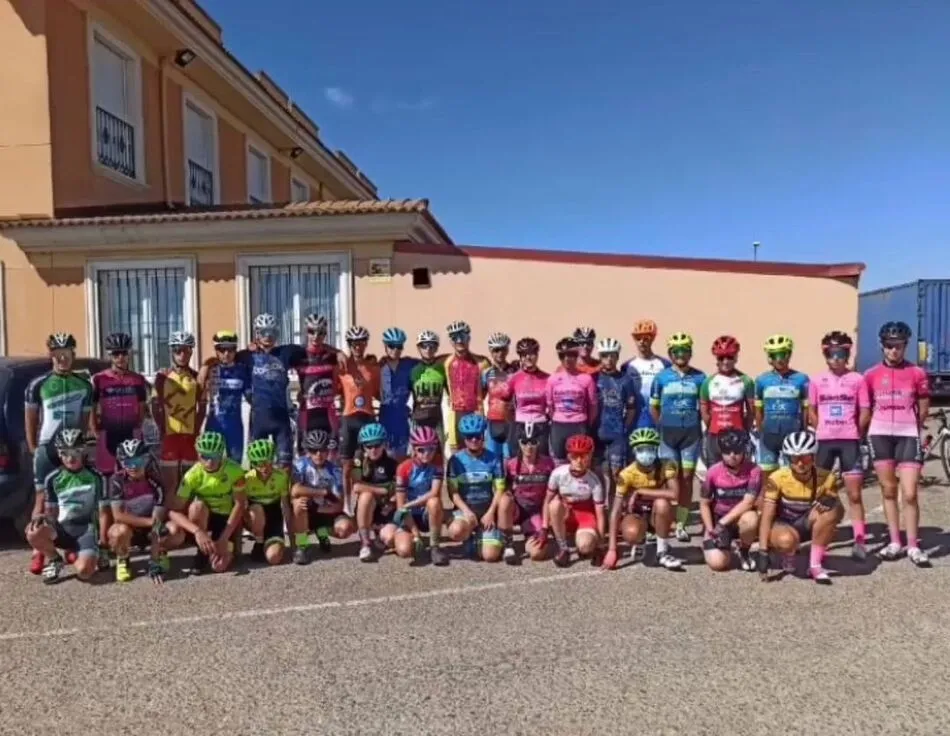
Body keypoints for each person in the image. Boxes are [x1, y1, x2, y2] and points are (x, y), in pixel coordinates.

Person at [24, 333, 94, 575]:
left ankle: (69, 543)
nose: (63, 358)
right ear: (51, 356)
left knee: (69, 495)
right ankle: (39, 552)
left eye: (67, 354)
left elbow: (85, 422)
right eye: (58, 355)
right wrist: (34, 448)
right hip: (47, 447)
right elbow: (31, 419)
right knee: (41, 499)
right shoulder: (38, 384)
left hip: (73, 447)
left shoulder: (84, 385)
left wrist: (80, 446)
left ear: (73, 355)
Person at [864, 321, 930, 565]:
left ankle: (913, 545)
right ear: (883, 346)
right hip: (880, 434)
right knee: (889, 490)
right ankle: (895, 541)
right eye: (890, 346)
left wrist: (914, 428)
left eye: (899, 346)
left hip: (907, 434)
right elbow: (866, 407)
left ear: (905, 346)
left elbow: (923, 406)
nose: (894, 351)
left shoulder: (917, 373)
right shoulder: (870, 375)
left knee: (910, 493)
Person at [808, 331, 872, 560]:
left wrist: (856, 432)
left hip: (849, 441)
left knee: (854, 494)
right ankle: (821, 542)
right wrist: (822, 428)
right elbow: (812, 411)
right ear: (825, 355)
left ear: (847, 354)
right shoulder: (816, 380)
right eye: (831, 354)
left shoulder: (858, 379)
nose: (836, 358)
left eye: (841, 353)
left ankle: (860, 540)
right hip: (825, 441)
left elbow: (865, 410)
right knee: (822, 494)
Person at [91, 331, 149, 567]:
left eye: (124, 353)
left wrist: (139, 432)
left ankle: (134, 536)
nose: (121, 357)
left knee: (133, 489)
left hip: (131, 439)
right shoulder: (99, 380)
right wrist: (96, 434)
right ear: (110, 355)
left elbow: (143, 409)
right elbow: (91, 411)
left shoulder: (137, 380)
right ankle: (104, 546)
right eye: (116, 353)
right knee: (106, 500)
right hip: (108, 440)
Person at [755, 430, 843, 584]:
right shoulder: (777, 477)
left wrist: (833, 501)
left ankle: (815, 565)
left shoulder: (827, 477)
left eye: (806, 457)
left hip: (805, 521)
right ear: (788, 458)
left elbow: (840, 513)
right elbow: (767, 516)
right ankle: (788, 554)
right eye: (795, 458)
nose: (800, 463)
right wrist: (762, 551)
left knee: (831, 513)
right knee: (787, 541)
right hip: (783, 523)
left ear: (814, 457)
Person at [25, 429, 105, 584]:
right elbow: (52, 512)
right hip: (63, 529)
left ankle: (76, 554)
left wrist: (102, 542)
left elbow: (103, 512)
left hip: (86, 530)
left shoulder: (96, 476)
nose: (70, 457)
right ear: (59, 454)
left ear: (84, 452)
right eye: (65, 452)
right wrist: (43, 518)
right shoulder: (52, 478)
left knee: (85, 572)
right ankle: (55, 559)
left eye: (76, 451)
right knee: (32, 531)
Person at [650, 332, 706, 542]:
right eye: (677, 351)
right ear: (671, 354)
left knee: (687, 478)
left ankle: (681, 523)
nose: (681, 354)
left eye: (684, 350)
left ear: (690, 352)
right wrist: (662, 425)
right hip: (668, 436)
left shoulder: (700, 377)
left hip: (690, 436)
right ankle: (664, 518)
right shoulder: (661, 377)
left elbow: (704, 407)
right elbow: (654, 407)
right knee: (669, 477)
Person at [168, 431, 247, 574]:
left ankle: (226, 547)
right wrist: (197, 532)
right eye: (205, 456)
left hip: (226, 519)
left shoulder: (234, 470)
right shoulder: (192, 475)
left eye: (216, 456)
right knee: (197, 507)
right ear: (198, 454)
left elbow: (240, 504)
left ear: (222, 454)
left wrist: (224, 538)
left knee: (219, 567)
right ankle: (202, 550)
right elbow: (174, 511)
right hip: (204, 519)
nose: (210, 462)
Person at [235, 313, 307, 468]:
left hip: (281, 418)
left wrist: (338, 352)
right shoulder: (248, 356)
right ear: (256, 334)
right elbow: (227, 356)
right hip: (258, 418)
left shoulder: (285, 353)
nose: (268, 336)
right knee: (257, 465)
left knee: (285, 465)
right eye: (263, 332)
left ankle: (284, 493)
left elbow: (313, 349)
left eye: (272, 332)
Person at [603, 428, 682, 570]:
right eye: (641, 449)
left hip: (657, 514)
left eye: (650, 449)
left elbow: (675, 494)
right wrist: (612, 550)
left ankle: (662, 552)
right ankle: (640, 540)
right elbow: (615, 511)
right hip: (637, 514)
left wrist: (640, 491)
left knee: (662, 503)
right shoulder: (626, 474)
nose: (646, 453)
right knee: (632, 533)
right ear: (634, 451)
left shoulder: (666, 465)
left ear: (656, 449)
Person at [107, 438, 183, 583]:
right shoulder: (117, 480)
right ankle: (123, 558)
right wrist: (151, 522)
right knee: (117, 533)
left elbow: (157, 523)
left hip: (150, 530)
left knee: (175, 531)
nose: (133, 467)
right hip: (129, 529)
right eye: (128, 462)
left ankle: (160, 552)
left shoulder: (156, 482)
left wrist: (153, 561)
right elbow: (118, 516)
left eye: (138, 461)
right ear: (121, 463)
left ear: (147, 460)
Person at [446, 413, 507, 561]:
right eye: (469, 437)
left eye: (478, 436)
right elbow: (453, 492)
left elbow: (499, 489)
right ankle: (470, 538)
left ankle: (487, 537)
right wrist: (466, 512)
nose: (474, 440)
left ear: (483, 436)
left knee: (490, 556)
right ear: (464, 438)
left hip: (487, 510)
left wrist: (491, 513)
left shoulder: (493, 459)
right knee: (456, 531)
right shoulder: (455, 460)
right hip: (466, 510)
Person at [699, 429, 761, 572]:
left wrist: (722, 523)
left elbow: (748, 502)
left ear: (744, 450)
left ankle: (744, 551)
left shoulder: (754, 470)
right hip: (718, 518)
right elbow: (704, 504)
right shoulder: (713, 472)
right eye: (727, 452)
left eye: (737, 451)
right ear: (721, 452)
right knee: (718, 564)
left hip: (740, 519)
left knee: (751, 518)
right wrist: (711, 530)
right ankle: (724, 546)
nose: (732, 456)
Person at [291, 429, 354, 565]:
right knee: (298, 503)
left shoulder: (335, 470)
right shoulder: (300, 465)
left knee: (346, 528)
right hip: (307, 510)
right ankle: (302, 545)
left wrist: (317, 508)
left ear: (328, 450)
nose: (319, 454)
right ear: (308, 451)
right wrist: (323, 492)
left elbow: (339, 504)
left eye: (322, 450)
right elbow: (295, 490)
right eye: (314, 450)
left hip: (325, 510)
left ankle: (322, 531)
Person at [153, 331, 204, 493]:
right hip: (170, 436)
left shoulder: (196, 377)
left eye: (187, 350)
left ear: (191, 352)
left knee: (188, 486)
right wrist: (161, 429)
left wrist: (196, 430)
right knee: (170, 486)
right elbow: (155, 406)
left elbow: (202, 407)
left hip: (189, 437)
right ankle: (170, 518)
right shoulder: (162, 376)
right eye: (178, 350)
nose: (182, 355)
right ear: (171, 351)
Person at [544, 433, 606, 567]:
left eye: (583, 456)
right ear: (568, 457)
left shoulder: (594, 481)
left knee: (585, 547)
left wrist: (600, 545)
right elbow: (547, 500)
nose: (579, 460)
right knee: (554, 504)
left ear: (589, 457)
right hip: (565, 514)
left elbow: (600, 515)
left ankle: (585, 542)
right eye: (575, 456)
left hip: (585, 516)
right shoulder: (558, 473)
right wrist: (544, 527)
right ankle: (563, 548)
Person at [392, 425, 449, 566]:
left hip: (425, 513)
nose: (426, 453)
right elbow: (401, 506)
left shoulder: (437, 465)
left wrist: (410, 504)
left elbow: (434, 493)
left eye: (431, 449)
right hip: (408, 516)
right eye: (421, 450)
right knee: (405, 551)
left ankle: (435, 547)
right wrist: (416, 535)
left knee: (434, 502)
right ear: (414, 449)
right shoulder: (404, 468)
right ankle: (410, 538)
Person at [754, 334, 810, 474]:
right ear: (769, 357)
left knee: (792, 476)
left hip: (792, 434)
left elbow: (805, 409)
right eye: (774, 355)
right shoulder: (761, 380)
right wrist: (761, 432)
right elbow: (758, 410)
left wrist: (803, 431)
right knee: (767, 478)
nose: (779, 359)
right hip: (769, 435)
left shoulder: (802, 379)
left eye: (782, 354)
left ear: (789, 355)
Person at [503, 422, 556, 563]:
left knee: (537, 554)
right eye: (524, 442)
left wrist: (547, 524)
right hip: (516, 510)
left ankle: (529, 535)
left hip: (534, 513)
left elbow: (553, 494)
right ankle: (508, 543)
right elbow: (502, 490)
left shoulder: (548, 464)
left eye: (533, 442)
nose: (529, 447)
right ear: (519, 443)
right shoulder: (510, 464)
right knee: (504, 500)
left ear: (539, 442)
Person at [338, 325, 381, 500]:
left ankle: (370, 501)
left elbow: (378, 392)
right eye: (354, 343)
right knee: (347, 465)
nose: (357, 347)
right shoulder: (341, 367)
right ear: (349, 345)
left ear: (366, 344)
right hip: (348, 418)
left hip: (368, 417)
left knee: (369, 462)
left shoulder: (373, 367)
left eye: (361, 343)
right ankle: (346, 503)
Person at [593, 337, 637, 500]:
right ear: (600, 357)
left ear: (617, 357)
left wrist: (624, 428)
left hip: (617, 433)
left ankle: (617, 507)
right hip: (596, 433)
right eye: (605, 355)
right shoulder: (594, 378)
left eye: (612, 355)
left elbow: (632, 408)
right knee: (597, 473)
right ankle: (601, 507)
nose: (609, 359)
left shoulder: (625, 380)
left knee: (616, 473)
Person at [699, 336, 754, 465]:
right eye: (721, 358)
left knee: (739, 475)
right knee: (714, 475)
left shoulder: (746, 381)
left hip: (738, 436)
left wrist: (744, 431)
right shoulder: (708, 382)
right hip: (714, 436)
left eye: (730, 357)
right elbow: (705, 413)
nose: (725, 361)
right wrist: (713, 428)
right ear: (716, 359)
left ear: (736, 358)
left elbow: (751, 412)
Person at [199, 330, 250, 463]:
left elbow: (251, 396)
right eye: (222, 349)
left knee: (235, 464)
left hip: (234, 424)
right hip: (214, 423)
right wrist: (204, 366)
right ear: (216, 350)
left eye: (231, 349)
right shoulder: (210, 368)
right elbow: (198, 389)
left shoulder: (242, 370)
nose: (226, 353)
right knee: (210, 463)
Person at [294, 314, 344, 450]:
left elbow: (348, 364)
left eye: (320, 332)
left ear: (325, 334)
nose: (316, 336)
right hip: (307, 413)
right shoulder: (298, 355)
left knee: (332, 456)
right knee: (304, 458)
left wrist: (339, 352)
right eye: (311, 331)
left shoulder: (332, 356)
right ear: (306, 332)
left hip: (328, 412)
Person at [353, 422, 399, 562]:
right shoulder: (359, 460)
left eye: (377, 445)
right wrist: (382, 490)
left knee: (390, 539)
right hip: (367, 507)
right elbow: (356, 486)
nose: (373, 449)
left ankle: (379, 536)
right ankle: (365, 543)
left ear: (384, 444)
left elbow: (397, 490)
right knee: (366, 496)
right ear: (363, 447)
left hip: (386, 508)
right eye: (369, 446)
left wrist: (391, 498)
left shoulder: (392, 463)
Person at [546, 337, 598, 463]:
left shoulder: (586, 379)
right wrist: (559, 418)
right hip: (558, 425)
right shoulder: (553, 379)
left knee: (580, 461)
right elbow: (550, 406)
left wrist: (585, 424)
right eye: (562, 356)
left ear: (577, 356)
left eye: (571, 355)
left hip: (579, 424)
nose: (567, 359)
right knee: (559, 461)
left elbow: (593, 407)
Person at [243, 438, 292, 566]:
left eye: (268, 462)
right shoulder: (247, 479)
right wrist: (237, 549)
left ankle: (268, 542)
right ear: (253, 464)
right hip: (254, 518)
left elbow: (286, 507)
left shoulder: (281, 476)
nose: (264, 467)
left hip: (273, 519)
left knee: (274, 558)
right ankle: (259, 542)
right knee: (257, 509)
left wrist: (293, 541)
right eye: (259, 464)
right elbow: (240, 508)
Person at [444, 321, 489, 453]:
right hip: (455, 413)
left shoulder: (482, 362)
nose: (459, 340)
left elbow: (488, 387)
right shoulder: (447, 362)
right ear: (450, 341)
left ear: (468, 338)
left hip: (476, 411)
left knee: (478, 451)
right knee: (456, 453)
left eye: (462, 336)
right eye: (454, 337)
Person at [622, 319, 669, 430]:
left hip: (657, 416)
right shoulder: (627, 366)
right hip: (635, 417)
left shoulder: (664, 364)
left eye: (646, 338)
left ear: (653, 338)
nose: (642, 341)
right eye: (638, 338)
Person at [378, 327, 417, 460]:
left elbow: (431, 360)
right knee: (385, 452)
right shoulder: (377, 365)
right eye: (391, 346)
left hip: (402, 414)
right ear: (385, 345)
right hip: (385, 413)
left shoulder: (409, 364)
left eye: (399, 346)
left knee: (402, 453)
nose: (395, 350)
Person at [509, 337, 551, 457]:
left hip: (541, 424)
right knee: (516, 460)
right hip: (520, 424)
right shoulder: (514, 378)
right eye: (524, 354)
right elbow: (505, 403)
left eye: (532, 353)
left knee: (542, 460)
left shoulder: (547, 378)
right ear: (520, 357)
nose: (528, 357)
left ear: (537, 355)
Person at [408, 330, 449, 451]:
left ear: (436, 348)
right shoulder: (413, 370)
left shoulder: (442, 369)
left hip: (436, 418)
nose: (428, 349)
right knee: (416, 453)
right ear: (418, 348)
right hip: (418, 418)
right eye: (424, 346)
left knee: (438, 452)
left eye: (432, 345)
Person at [482, 332, 518, 460]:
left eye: (503, 349)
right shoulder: (487, 373)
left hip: (510, 421)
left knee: (509, 458)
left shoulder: (515, 371)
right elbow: (479, 396)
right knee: (492, 458)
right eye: (496, 350)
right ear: (491, 351)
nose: (500, 353)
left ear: (507, 350)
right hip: (493, 421)